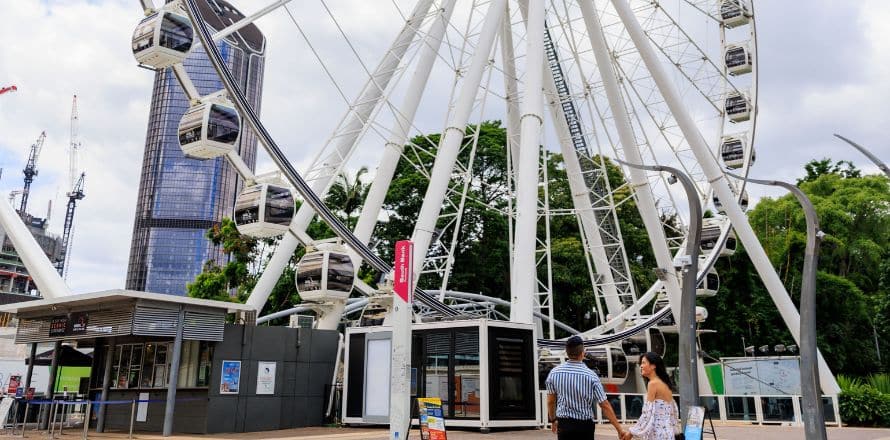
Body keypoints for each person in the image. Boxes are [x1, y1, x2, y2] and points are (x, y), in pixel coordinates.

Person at [546, 335, 628, 439]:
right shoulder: (591, 376)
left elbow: (551, 401)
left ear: (567, 352)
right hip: (585, 426)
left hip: (564, 425)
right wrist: (619, 430)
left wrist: (553, 420)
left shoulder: (554, 373)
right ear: (582, 353)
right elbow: (604, 405)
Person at [621, 352, 681, 440]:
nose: (641, 366)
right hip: (668, 433)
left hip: (657, 434)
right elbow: (674, 413)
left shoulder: (653, 384)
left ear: (653, 366)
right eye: (641, 363)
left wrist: (631, 433)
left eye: (644, 363)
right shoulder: (664, 384)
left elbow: (647, 414)